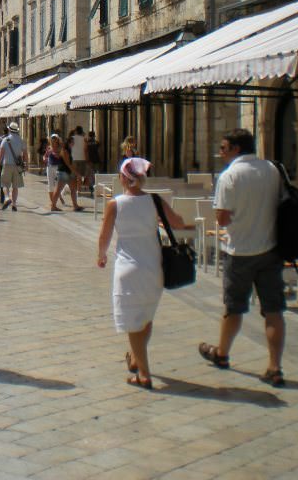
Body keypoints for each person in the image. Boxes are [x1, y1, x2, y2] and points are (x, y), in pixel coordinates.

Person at [198, 128, 286, 387]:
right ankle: (275, 367)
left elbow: (222, 218)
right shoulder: (272, 169)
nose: (221, 152)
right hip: (270, 248)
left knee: (234, 307)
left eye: (224, 147)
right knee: (273, 311)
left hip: (240, 251)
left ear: (236, 149)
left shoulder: (230, 176)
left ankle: (222, 353)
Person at [97, 156, 187, 389]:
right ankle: (137, 359)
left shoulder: (115, 204)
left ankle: (144, 374)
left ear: (122, 178)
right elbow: (177, 223)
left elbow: (105, 235)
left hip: (128, 268)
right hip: (153, 268)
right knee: (145, 318)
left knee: (133, 322)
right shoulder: (155, 201)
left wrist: (101, 255)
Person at [45, 134, 80, 212]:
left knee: (72, 189)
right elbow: (68, 163)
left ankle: (75, 206)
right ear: (69, 142)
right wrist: (76, 172)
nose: (74, 143)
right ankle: (53, 206)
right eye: (73, 142)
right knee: (58, 190)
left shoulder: (68, 149)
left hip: (67, 172)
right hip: (63, 172)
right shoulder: (65, 150)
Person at [0, 122, 27, 212]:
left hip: (7, 164)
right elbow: (25, 154)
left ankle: (6, 198)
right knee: (15, 186)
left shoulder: (5, 140)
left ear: (9, 130)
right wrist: (26, 165)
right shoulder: (21, 140)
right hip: (17, 166)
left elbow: (0, 154)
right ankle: (14, 204)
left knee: (5, 184)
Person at [70, 126, 88, 197]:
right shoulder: (84, 139)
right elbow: (85, 149)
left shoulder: (72, 138)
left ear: (76, 131)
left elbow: (70, 147)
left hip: (74, 158)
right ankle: (79, 190)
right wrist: (86, 159)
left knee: (74, 175)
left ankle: (73, 190)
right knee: (79, 175)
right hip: (82, 158)